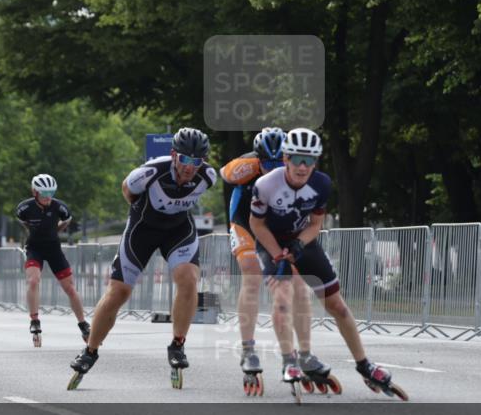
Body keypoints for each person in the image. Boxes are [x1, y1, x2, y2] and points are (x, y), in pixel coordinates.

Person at [249, 127, 408, 400]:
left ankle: (364, 364)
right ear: (285, 158)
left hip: (303, 241)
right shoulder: (266, 185)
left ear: (316, 162)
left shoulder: (321, 184)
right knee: (283, 298)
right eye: (297, 159)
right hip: (271, 242)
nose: (302, 166)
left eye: (309, 160)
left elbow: (316, 224)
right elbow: (256, 224)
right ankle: (289, 360)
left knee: (337, 305)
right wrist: (278, 254)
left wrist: (299, 244)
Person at [68, 127, 217, 390]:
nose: (189, 168)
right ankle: (90, 351)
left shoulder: (208, 176)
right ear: (174, 156)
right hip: (143, 229)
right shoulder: (151, 171)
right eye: (184, 160)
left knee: (188, 279)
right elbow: (127, 190)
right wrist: (141, 209)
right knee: (119, 292)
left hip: (178, 230)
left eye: (196, 162)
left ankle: (178, 344)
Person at [220, 127, 313, 396]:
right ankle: (248, 348)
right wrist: (244, 168)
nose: (271, 169)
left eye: (277, 163)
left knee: (291, 284)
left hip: (274, 232)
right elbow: (224, 174)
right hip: (244, 227)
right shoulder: (247, 166)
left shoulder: (296, 172)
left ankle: (297, 351)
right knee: (251, 275)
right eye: (266, 164)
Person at [14, 174, 89, 347]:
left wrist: (55, 231)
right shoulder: (24, 208)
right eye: (43, 193)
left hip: (54, 248)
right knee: (33, 281)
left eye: (51, 192)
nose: (48, 197)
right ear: (35, 192)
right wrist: (35, 231)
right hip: (34, 248)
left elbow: (67, 220)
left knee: (70, 288)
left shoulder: (60, 207)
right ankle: (34, 321)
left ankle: (83, 324)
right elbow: (23, 222)